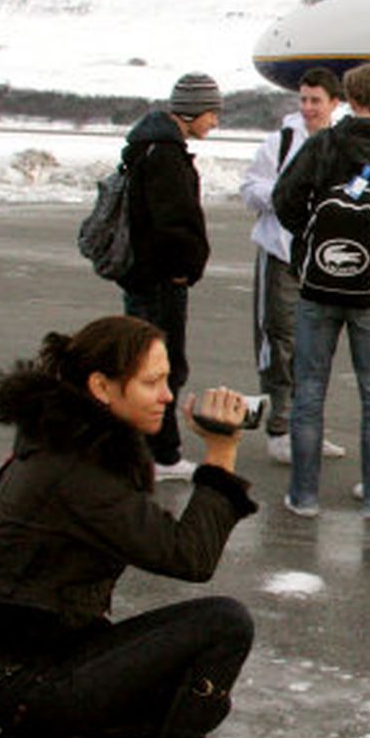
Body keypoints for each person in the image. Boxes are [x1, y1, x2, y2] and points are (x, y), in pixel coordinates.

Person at [0, 315, 257, 738]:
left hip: (14, 661)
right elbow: (189, 556)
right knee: (225, 626)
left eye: (168, 379)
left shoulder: (63, 439)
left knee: (201, 697)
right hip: (22, 674)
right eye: (151, 382)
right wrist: (222, 452)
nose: (167, 395)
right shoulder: (77, 470)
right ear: (100, 386)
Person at [273, 63, 370, 519]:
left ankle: (304, 496)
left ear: (348, 97)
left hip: (317, 285)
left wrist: (311, 245)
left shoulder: (323, 144)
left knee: (309, 392)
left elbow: (285, 200)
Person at [115, 72, 221, 482]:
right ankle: (161, 452)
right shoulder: (165, 155)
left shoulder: (151, 147)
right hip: (160, 280)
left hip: (146, 276)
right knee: (163, 367)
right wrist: (183, 269)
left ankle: (151, 448)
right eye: (212, 113)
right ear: (194, 110)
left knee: (150, 363)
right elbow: (170, 223)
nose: (215, 122)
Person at [239, 67, 348, 465]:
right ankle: (280, 428)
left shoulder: (341, 144)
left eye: (316, 100)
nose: (308, 108)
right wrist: (287, 193)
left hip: (321, 259)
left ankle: (310, 426)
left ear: (334, 104)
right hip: (281, 253)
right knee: (279, 339)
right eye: (303, 99)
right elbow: (250, 190)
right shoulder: (280, 143)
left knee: (316, 344)